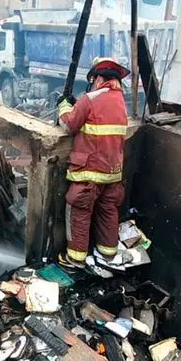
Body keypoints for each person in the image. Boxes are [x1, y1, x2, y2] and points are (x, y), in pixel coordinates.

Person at [55, 57, 130, 270]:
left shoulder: (90, 98)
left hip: (89, 170)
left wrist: (63, 106)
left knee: (78, 209)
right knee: (108, 209)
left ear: (97, 78)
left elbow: (70, 125)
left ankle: (75, 259)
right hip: (113, 172)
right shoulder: (120, 101)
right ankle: (108, 254)